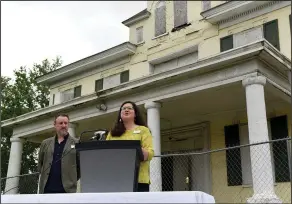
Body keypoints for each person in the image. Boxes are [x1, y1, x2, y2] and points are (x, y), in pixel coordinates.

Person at [106, 101, 154, 192]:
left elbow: (150, 153)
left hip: (139, 179)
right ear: (120, 114)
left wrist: (137, 150)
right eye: (123, 109)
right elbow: (106, 154)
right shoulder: (112, 133)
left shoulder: (143, 130)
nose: (126, 110)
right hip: (116, 179)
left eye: (129, 108)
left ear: (135, 113)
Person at [37, 113, 80, 194]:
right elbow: (40, 164)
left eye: (66, 123)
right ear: (55, 125)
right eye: (61, 123)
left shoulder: (77, 143)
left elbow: (80, 166)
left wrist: (71, 180)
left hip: (67, 190)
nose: (64, 125)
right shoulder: (45, 143)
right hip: (46, 189)